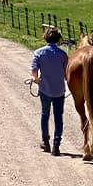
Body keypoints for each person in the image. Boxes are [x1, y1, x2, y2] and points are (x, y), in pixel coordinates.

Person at [31, 26, 68, 156]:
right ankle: (56, 145)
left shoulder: (38, 53)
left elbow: (34, 72)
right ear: (58, 39)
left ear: (45, 37)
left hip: (45, 89)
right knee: (58, 118)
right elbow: (66, 74)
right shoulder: (63, 55)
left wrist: (35, 79)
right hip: (59, 91)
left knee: (45, 114)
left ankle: (45, 141)